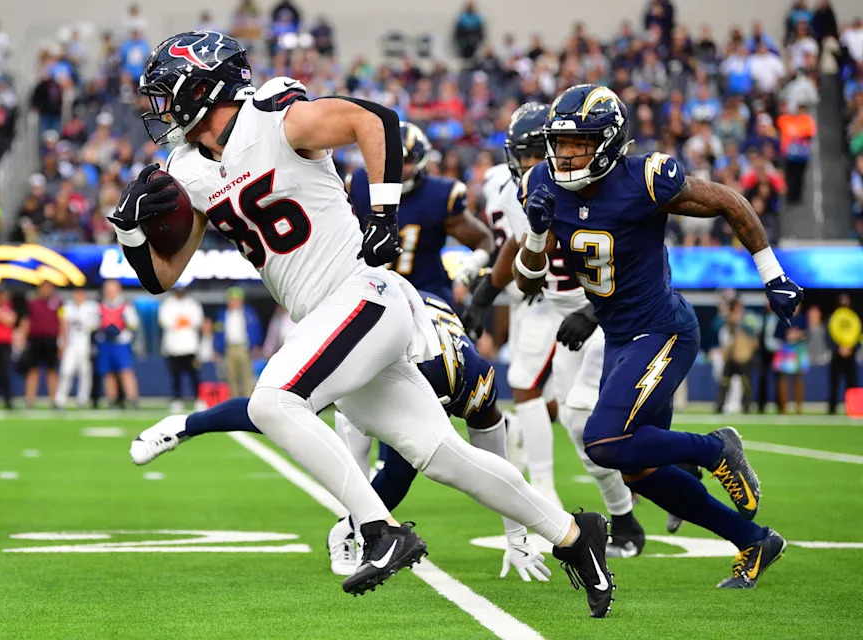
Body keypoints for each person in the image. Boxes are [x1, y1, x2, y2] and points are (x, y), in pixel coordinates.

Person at [108, 32, 614, 615]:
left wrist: (384, 213)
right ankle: (576, 538)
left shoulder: (273, 117)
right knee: (440, 455)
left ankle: (379, 531)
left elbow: (375, 121)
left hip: (362, 293)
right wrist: (130, 233)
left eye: (169, 95)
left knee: (273, 400)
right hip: (329, 319)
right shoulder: (187, 170)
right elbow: (162, 275)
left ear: (202, 86)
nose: (163, 111)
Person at [516, 84, 802, 589]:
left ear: (607, 142)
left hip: (663, 328)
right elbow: (527, 281)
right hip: (621, 338)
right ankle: (754, 541)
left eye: (577, 143)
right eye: (559, 143)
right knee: (638, 471)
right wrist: (536, 233)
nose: (563, 154)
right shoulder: (542, 182)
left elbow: (729, 202)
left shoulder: (643, 179)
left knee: (602, 441)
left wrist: (772, 273)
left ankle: (714, 449)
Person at [134, 291, 553, 583]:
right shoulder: (382, 355)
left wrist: (515, 536)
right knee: (292, 414)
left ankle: (348, 529)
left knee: (401, 475)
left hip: (408, 353)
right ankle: (185, 426)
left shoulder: (473, 378)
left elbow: (491, 452)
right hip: (369, 362)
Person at [464, 102, 644, 557]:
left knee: (584, 418)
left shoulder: (599, 187)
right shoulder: (529, 186)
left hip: (606, 310)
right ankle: (623, 512)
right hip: (558, 309)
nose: (529, 163)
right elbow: (519, 245)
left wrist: (595, 311)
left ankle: (656, 484)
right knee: (572, 418)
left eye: (535, 152)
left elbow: (635, 262)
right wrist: (486, 292)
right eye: (523, 153)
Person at [346, 122, 494, 304]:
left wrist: (467, 272)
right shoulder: (358, 184)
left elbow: (484, 240)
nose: (397, 167)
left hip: (425, 296)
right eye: (390, 158)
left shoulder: (439, 194)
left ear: (420, 160)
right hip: (368, 292)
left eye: (405, 160)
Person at [159, 286, 204, 412]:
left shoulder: (192, 304)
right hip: (173, 347)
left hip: (190, 346)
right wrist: (181, 321)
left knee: (194, 375)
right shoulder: (167, 304)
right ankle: (177, 399)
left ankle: (198, 399)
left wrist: (181, 321)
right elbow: (165, 321)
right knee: (175, 375)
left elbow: (197, 320)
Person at [96, 280, 139, 409]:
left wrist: (121, 324)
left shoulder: (126, 306)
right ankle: (112, 399)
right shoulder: (99, 306)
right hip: (105, 342)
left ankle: (132, 399)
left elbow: (134, 324)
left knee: (125, 371)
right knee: (108, 373)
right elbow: (91, 325)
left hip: (121, 343)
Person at [213, 287, 261, 398]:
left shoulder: (248, 313)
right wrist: (218, 349)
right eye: (231, 299)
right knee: (231, 377)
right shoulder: (223, 314)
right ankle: (234, 400)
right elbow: (219, 332)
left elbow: (255, 328)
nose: (233, 302)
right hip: (229, 348)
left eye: (236, 299)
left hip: (244, 348)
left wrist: (255, 345)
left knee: (246, 376)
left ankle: (247, 400)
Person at [55, 288, 99, 408]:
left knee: (85, 372)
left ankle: (82, 400)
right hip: (70, 343)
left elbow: (94, 325)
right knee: (66, 371)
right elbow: (62, 326)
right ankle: (60, 399)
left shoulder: (92, 307)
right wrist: (61, 344)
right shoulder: (66, 307)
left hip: (85, 343)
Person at [20, 281, 61, 407]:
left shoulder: (57, 303)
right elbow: (26, 321)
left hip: (51, 340)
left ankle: (54, 400)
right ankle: (29, 400)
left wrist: (63, 340)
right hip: (35, 340)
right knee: (32, 370)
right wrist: (22, 338)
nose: (46, 290)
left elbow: (62, 321)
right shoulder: (32, 303)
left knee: (52, 371)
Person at [715, 299, 760, 414]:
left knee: (746, 383)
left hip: (744, 357)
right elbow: (725, 338)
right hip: (731, 357)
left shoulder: (747, 320)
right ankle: (719, 406)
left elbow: (753, 336)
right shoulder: (728, 322)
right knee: (725, 382)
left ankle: (747, 406)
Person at [827, 294, 861, 414]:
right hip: (837, 355)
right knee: (834, 383)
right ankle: (832, 409)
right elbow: (829, 336)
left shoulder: (854, 317)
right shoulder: (833, 317)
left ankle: (854, 409)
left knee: (852, 383)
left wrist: (851, 348)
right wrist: (838, 348)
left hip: (850, 355)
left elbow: (859, 335)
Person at [773, 305, 808, 414]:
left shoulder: (803, 318)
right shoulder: (782, 318)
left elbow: (808, 333)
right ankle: (784, 408)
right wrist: (787, 335)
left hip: (799, 351)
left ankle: (799, 408)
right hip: (786, 351)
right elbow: (777, 334)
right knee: (783, 380)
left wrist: (799, 334)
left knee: (798, 380)